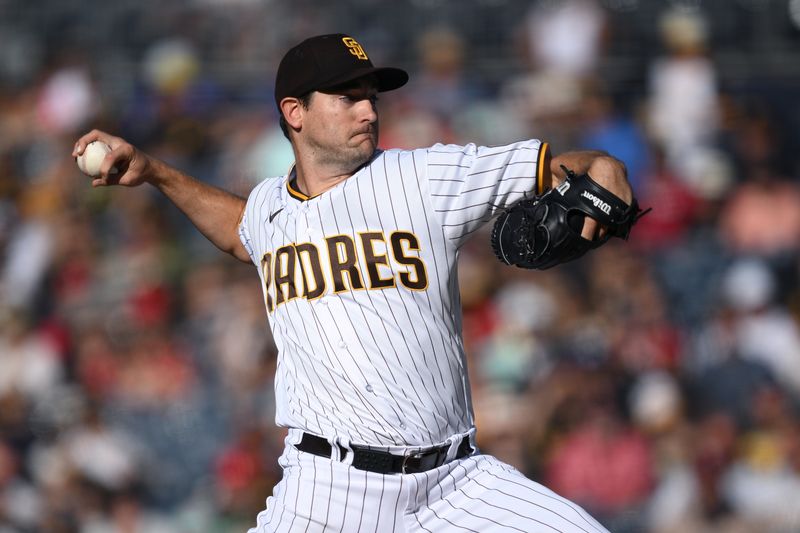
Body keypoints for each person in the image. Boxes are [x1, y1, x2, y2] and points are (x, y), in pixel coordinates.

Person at [74, 33, 633, 533]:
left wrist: (604, 165)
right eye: (348, 97)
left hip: (456, 483)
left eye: (371, 96)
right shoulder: (269, 208)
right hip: (327, 492)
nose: (368, 110)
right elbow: (240, 232)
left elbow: (557, 165)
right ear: (295, 112)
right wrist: (156, 172)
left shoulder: (423, 177)